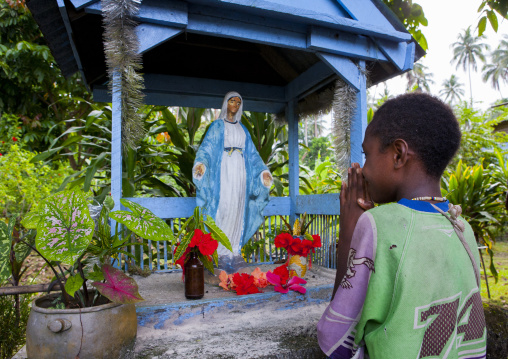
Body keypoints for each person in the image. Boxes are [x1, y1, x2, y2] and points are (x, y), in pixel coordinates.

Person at [317, 93, 487, 358]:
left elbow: (335, 340)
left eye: (368, 155)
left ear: (398, 154)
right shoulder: (462, 227)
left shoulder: (378, 226)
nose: (363, 170)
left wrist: (350, 230)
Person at [193, 91, 272, 272]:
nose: (235, 105)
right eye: (232, 101)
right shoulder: (216, 127)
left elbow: (253, 157)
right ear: (225, 104)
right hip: (222, 174)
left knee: (238, 208)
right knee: (223, 207)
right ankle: (220, 253)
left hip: (240, 174)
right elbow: (206, 149)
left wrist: (263, 173)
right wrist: (201, 165)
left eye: (238, 102)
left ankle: (234, 251)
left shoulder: (243, 130)